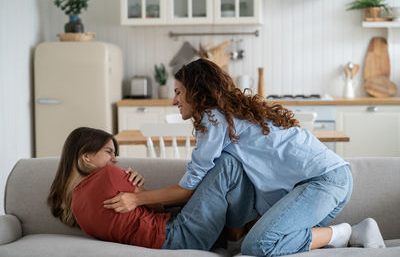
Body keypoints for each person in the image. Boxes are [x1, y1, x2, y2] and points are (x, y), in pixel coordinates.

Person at [104, 58, 386, 256]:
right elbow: (224, 175)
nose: (173, 100)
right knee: (230, 165)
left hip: (324, 183)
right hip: (317, 186)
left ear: (196, 92)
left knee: (259, 246)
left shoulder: (214, 119)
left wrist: (136, 198)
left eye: (178, 92)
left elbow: (188, 189)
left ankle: (349, 233)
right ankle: (236, 240)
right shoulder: (228, 116)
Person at [47, 127, 258, 250]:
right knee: (228, 162)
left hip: (167, 238)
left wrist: (137, 192)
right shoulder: (109, 175)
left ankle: (235, 229)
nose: (114, 159)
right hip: (178, 235)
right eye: (108, 152)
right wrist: (141, 192)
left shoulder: (76, 205)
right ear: (86, 156)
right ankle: (236, 229)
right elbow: (160, 207)